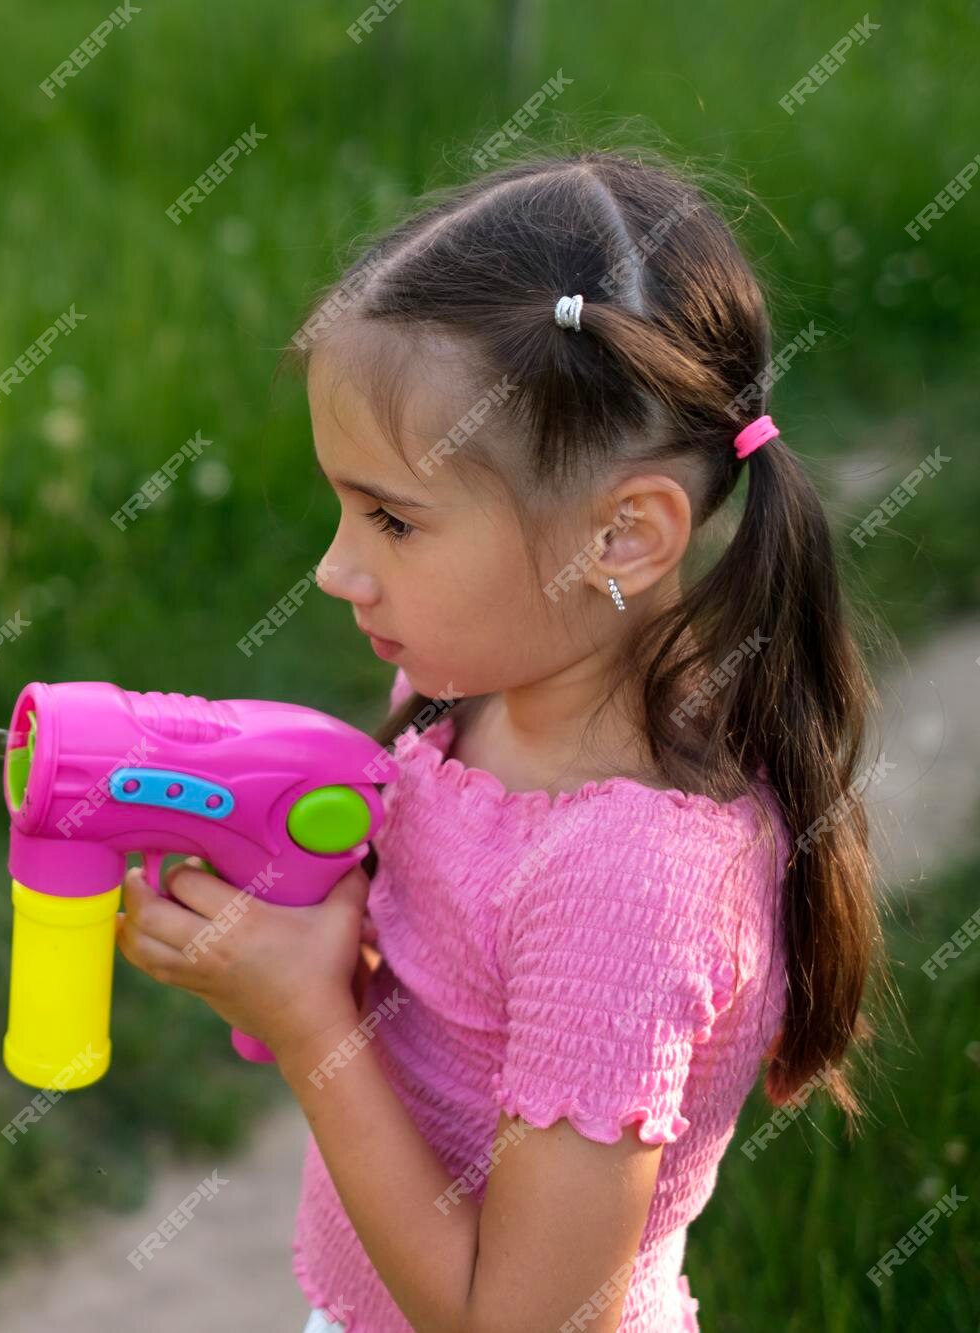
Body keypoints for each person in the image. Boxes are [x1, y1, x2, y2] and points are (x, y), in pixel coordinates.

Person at [115, 147, 886, 1333]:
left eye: (390, 518)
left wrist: (306, 1020)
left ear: (622, 538)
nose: (332, 568)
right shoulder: (469, 701)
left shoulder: (627, 881)